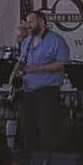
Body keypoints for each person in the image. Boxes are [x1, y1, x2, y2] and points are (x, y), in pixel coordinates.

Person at [17, 10, 70, 155]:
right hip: (27, 91)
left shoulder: (56, 40)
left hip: (47, 91)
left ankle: (47, 164)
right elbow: (23, 63)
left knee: (47, 130)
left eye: (31, 22)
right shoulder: (26, 42)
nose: (28, 25)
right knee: (28, 129)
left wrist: (37, 68)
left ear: (41, 22)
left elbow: (62, 64)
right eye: (27, 22)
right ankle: (31, 163)